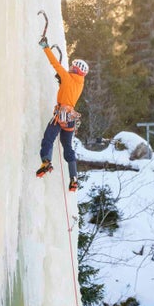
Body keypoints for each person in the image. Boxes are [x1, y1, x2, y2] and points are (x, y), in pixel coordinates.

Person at [35, 37, 89, 192]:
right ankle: (73, 178)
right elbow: (68, 89)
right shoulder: (80, 83)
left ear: (76, 69)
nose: (70, 67)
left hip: (61, 115)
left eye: (72, 66)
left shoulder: (67, 77)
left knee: (48, 138)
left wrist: (46, 47)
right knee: (67, 147)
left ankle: (46, 161)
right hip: (71, 119)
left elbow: (55, 64)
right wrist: (62, 82)